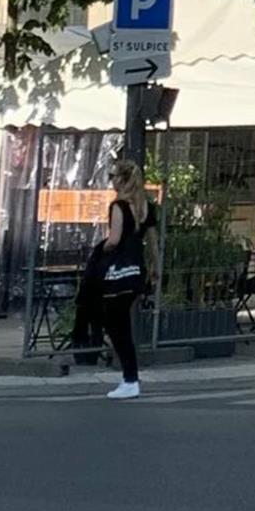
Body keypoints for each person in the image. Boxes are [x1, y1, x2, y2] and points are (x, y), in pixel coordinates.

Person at [95, 159, 155, 401]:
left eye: (113, 176)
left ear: (122, 179)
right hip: (137, 270)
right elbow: (153, 243)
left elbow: (114, 239)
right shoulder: (146, 207)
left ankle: (130, 379)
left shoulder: (118, 206)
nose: (111, 181)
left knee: (114, 324)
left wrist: (100, 251)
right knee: (120, 324)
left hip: (118, 272)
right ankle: (130, 377)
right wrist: (155, 270)